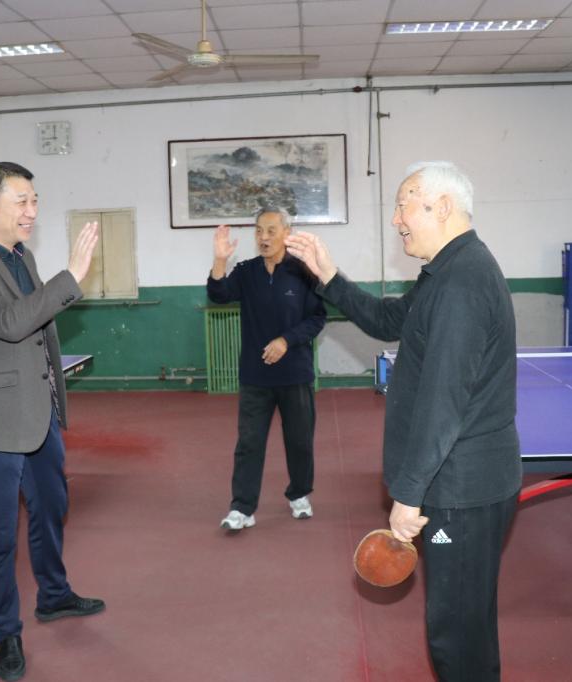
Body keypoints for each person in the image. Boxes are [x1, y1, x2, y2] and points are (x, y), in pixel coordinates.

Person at [285, 162, 521, 681]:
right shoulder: (446, 270)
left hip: (461, 487)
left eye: (402, 205)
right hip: (461, 481)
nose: (395, 220)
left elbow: (444, 401)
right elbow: (389, 319)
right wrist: (329, 277)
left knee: (456, 636)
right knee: (464, 627)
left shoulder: (462, 283)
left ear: (442, 206)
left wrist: (409, 495)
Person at [0, 162, 104, 682]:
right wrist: (70, 277)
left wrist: (53, 397)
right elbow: (10, 323)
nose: (32, 211)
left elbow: (39, 328)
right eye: (21, 201)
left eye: (35, 200)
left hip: (38, 413)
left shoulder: (20, 255)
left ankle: (54, 595)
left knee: (52, 508)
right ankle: (6, 633)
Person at [207, 206, 327, 531]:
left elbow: (317, 318)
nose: (264, 237)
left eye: (272, 230)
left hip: (295, 375)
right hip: (255, 377)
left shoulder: (304, 272)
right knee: (249, 443)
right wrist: (219, 260)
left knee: (300, 441)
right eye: (259, 230)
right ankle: (242, 508)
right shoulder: (246, 272)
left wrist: (287, 341)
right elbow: (218, 295)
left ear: (287, 233)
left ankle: (299, 494)